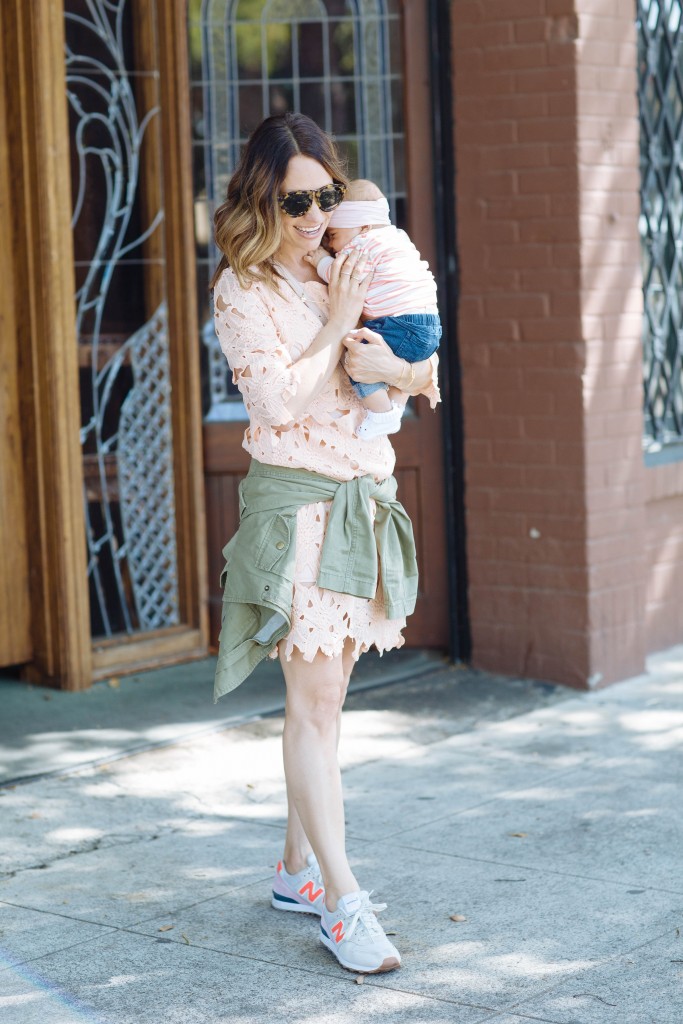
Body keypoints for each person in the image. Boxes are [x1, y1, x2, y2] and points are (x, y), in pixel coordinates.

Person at [210, 112, 440, 975]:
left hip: (361, 500)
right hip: (299, 511)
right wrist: (333, 316)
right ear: (259, 199)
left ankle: (292, 871)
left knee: (325, 703)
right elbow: (276, 405)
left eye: (325, 195)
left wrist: (403, 372)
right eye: (294, 200)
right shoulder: (244, 288)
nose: (312, 215)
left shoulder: (347, 253)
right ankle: (342, 905)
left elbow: (419, 362)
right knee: (313, 708)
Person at [306, 178, 442, 439]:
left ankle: (381, 413)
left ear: (364, 226)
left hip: (399, 324)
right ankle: (397, 407)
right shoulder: (398, 239)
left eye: (333, 236)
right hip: (429, 326)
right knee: (404, 362)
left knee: (357, 356)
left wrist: (322, 260)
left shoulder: (364, 245)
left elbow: (341, 275)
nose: (332, 246)